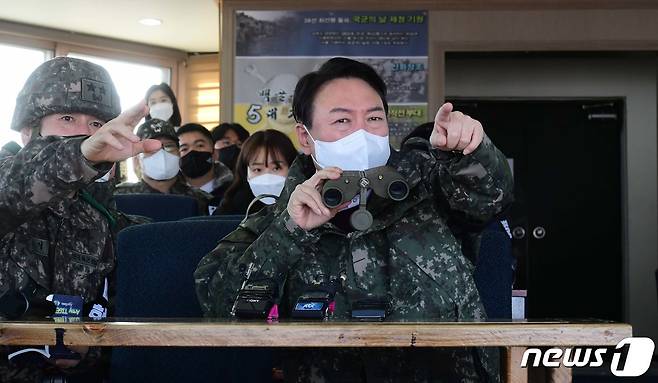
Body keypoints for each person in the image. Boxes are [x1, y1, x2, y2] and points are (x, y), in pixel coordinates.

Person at [194, 57, 514, 382]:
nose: (362, 132)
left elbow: (492, 196)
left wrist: (469, 152)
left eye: (374, 117)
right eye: (343, 121)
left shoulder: (431, 187)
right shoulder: (276, 221)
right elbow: (222, 309)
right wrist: (290, 232)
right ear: (305, 137)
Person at [0, 56, 160, 382]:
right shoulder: (7, 186)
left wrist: (93, 344)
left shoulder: (105, 220)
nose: (85, 134)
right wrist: (83, 155)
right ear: (28, 131)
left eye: (96, 124)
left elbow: (122, 314)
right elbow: (15, 186)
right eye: (67, 118)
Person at [115, 119, 211, 215]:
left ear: (179, 153)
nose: (162, 154)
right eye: (151, 148)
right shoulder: (119, 197)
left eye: (169, 146)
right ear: (137, 160)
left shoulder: (201, 200)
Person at [215, 129, 297, 216]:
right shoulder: (229, 209)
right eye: (258, 169)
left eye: (276, 168)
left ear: (293, 166)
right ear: (245, 172)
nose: (267, 178)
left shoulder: (306, 204)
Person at [176, 123, 233, 214]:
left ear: (214, 154)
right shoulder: (170, 194)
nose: (192, 151)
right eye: (184, 149)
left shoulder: (234, 191)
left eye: (200, 145)